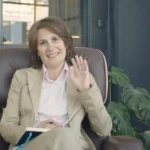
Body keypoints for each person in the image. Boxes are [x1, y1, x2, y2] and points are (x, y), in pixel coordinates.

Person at [0, 16, 112, 150]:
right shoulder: (22, 77)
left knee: (64, 135)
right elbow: (6, 127)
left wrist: (85, 90)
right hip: (31, 143)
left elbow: (103, 129)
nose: (50, 47)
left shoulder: (82, 78)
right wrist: (36, 131)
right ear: (37, 51)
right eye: (43, 43)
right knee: (62, 135)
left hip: (70, 143)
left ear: (65, 43)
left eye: (55, 39)